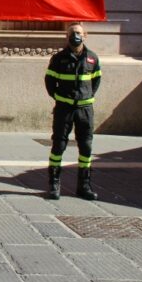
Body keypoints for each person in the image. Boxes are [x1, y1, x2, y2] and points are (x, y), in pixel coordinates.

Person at [44, 22, 101, 201]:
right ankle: (54, 185)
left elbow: (96, 81)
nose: (74, 36)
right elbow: (49, 82)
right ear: (66, 37)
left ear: (85, 35)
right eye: (71, 34)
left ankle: (84, 186)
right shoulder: (59, 58)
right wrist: (61, 99)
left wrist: (86, 97)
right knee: (58, 146)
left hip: (85, 110)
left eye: (77, 33)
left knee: (86, 147)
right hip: (64, 109)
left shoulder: (92, 58)